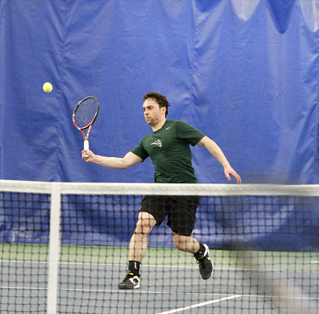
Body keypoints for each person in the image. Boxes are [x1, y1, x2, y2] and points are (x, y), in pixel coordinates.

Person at [81, 92, 242, 289]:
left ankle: (201, 251)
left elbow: (207, 142)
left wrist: (226, 165)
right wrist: (95, 158)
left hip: (185, 191)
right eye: (143, 110)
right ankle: (133, 274)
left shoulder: (177, 127)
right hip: (159, 189)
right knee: (142, 224)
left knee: (181, 242)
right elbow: (124, 162)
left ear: (162, 109)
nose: (145, 112)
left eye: (149, 108)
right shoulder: (147, 141)